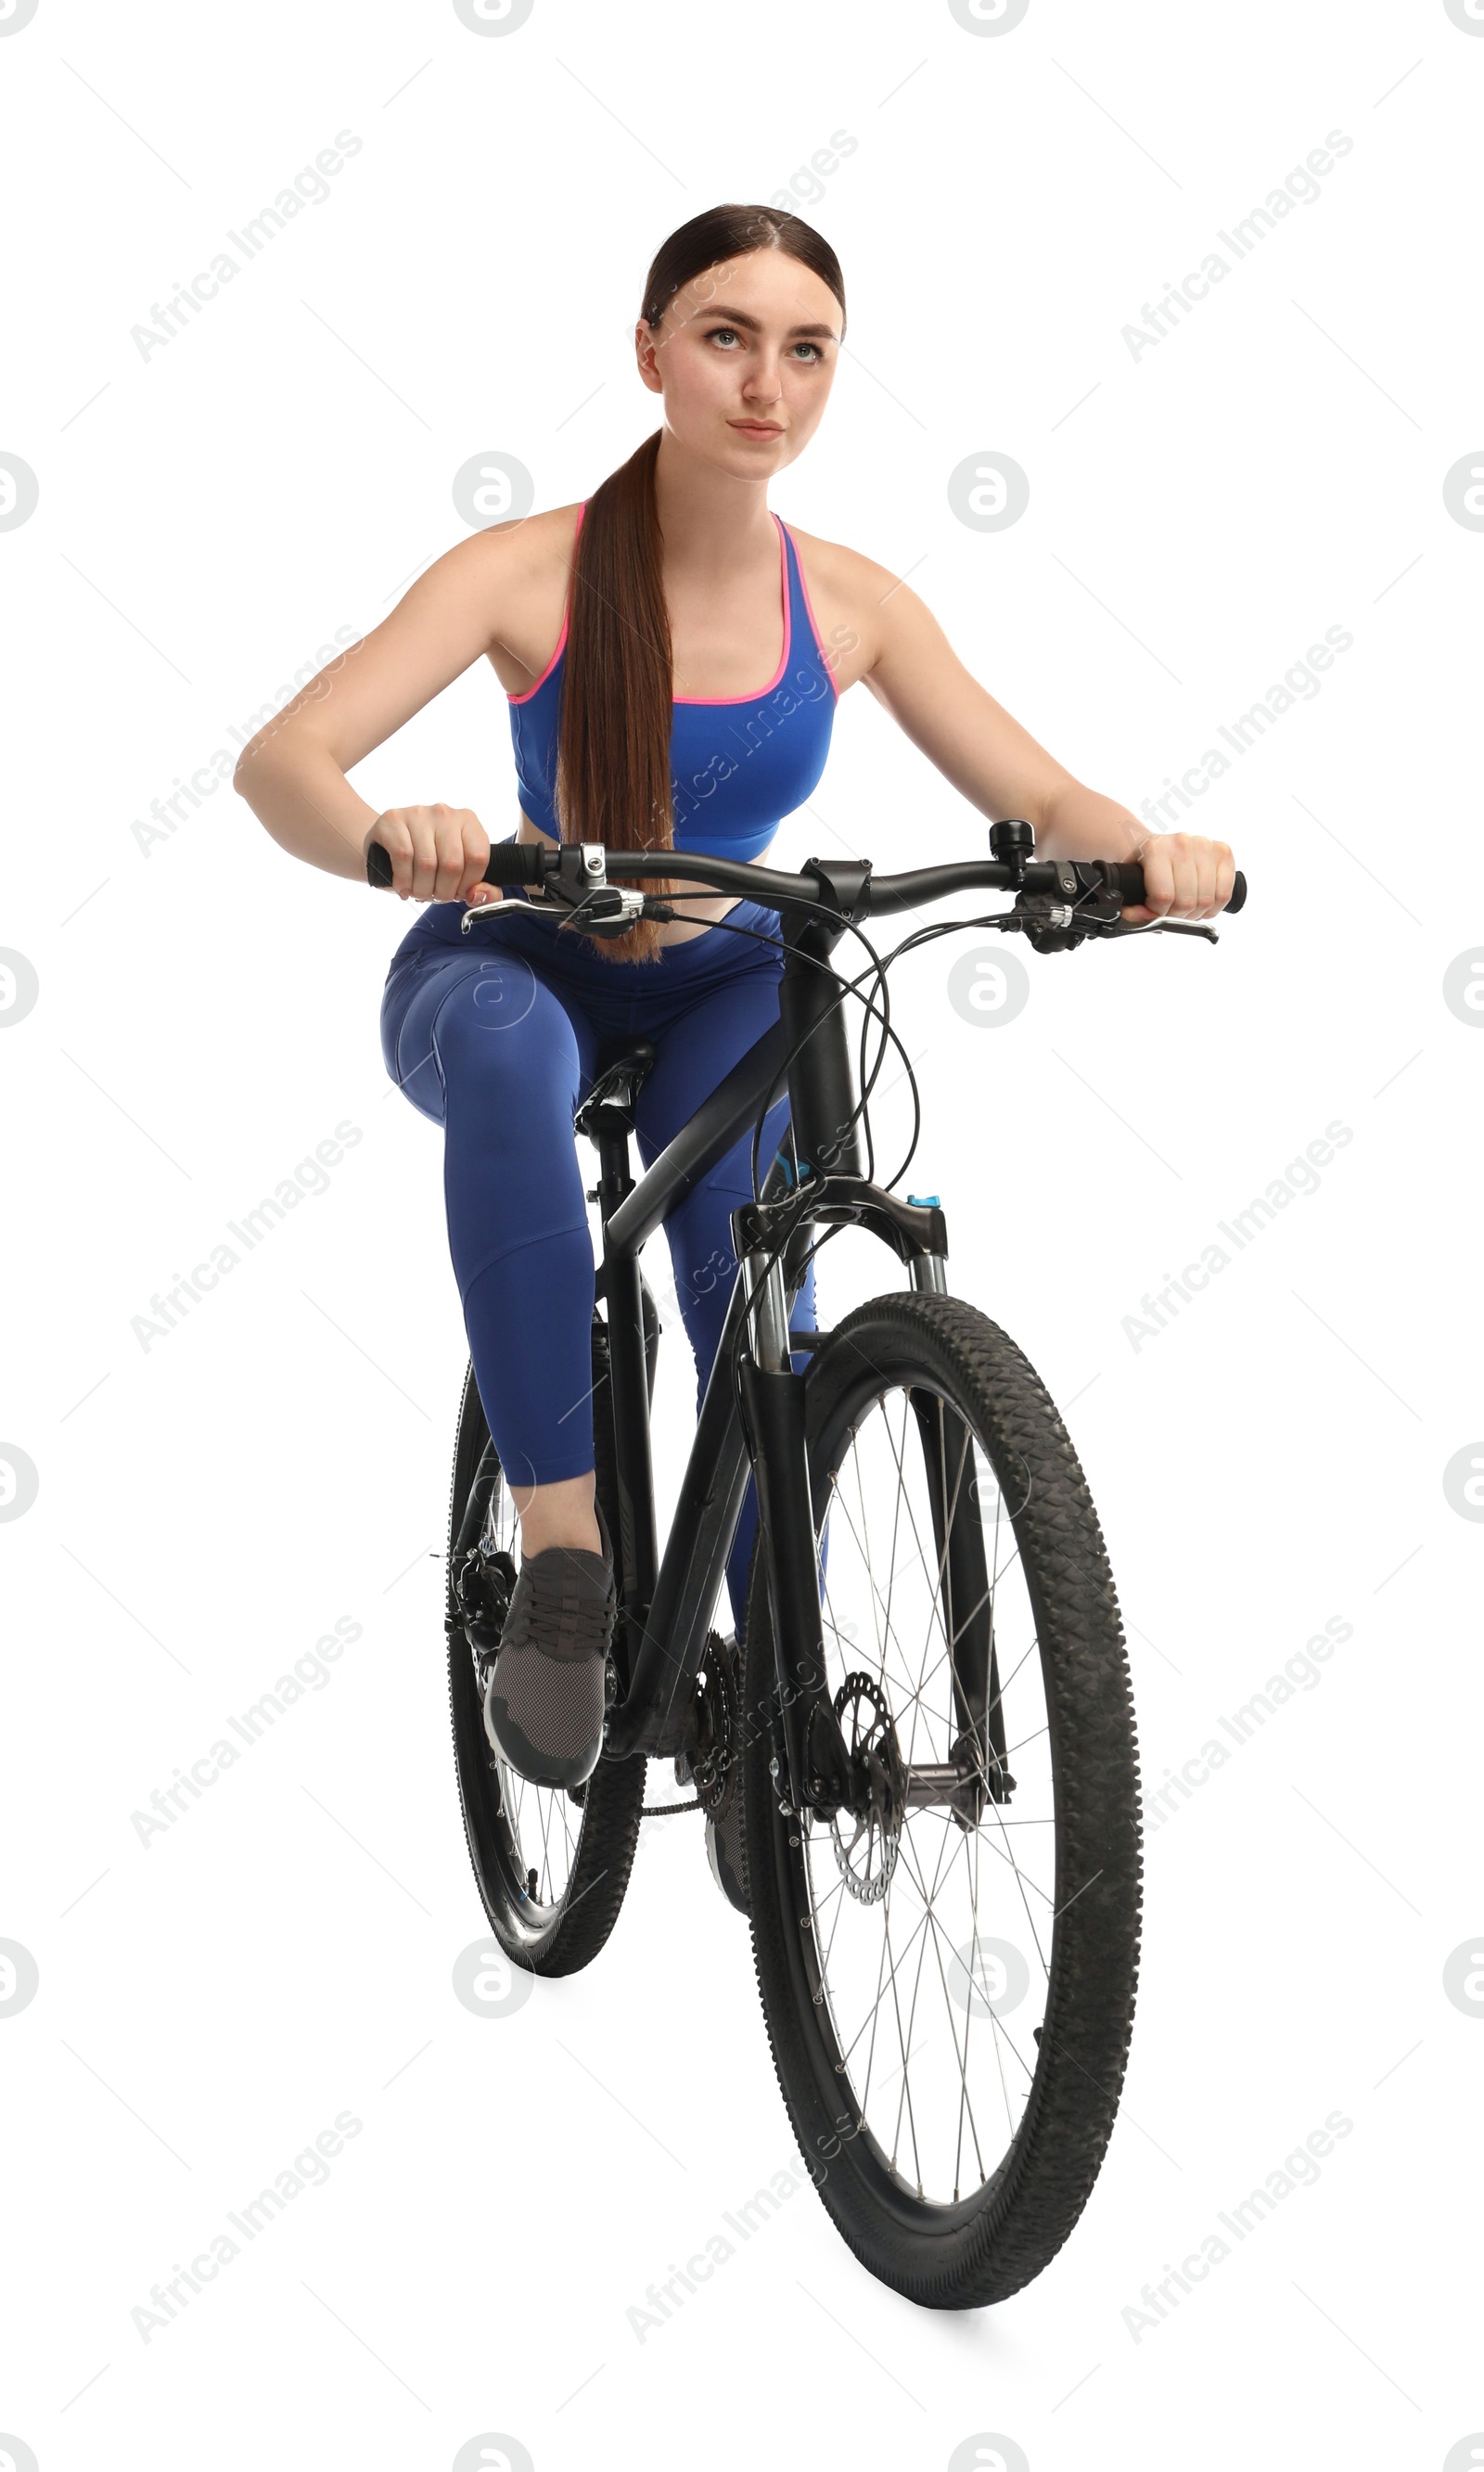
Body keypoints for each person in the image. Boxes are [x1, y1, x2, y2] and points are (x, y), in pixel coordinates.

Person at [234, 201, 1235, 1797]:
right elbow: (277, 760)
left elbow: (1038, 789)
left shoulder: (850, 604)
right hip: (519, 954)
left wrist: (1148, 852)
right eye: (724, 337)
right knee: (505, 1057)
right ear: (651, 354)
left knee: (749, 1279)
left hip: (726, 976)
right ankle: (566, 1563)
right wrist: (386, 834)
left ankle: (777, 1660)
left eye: (806, 349)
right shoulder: (525, 571)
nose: (766, 382)